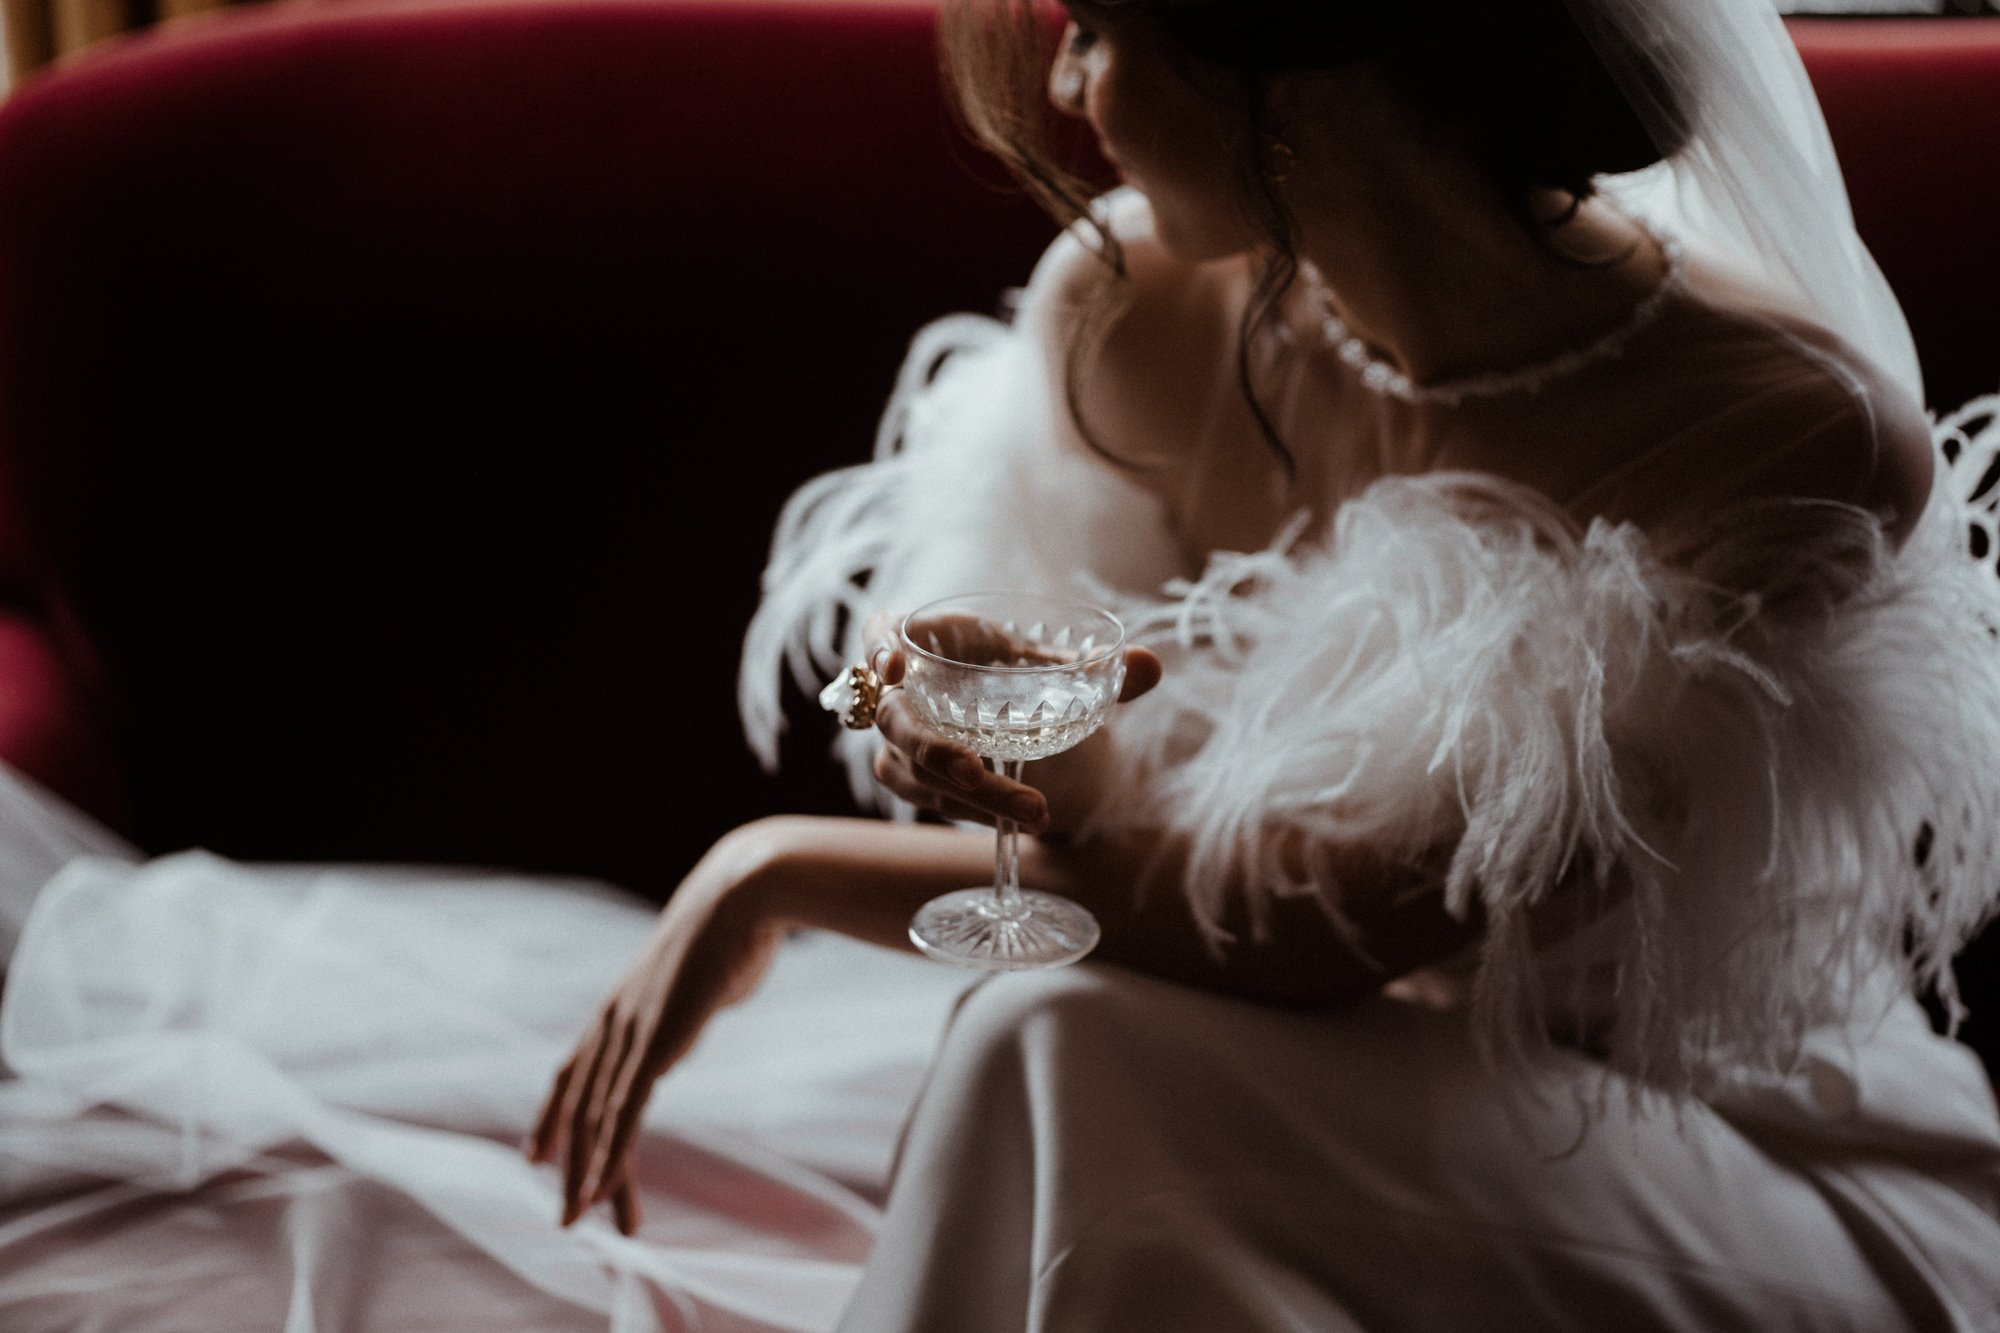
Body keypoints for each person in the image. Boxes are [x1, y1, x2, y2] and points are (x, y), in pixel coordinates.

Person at [530, 0, 2000, 1325]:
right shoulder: (1134, 314)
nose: (1064, 81)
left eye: (1099, 25)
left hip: (1697, 1154)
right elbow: (1117, 811)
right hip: (1278, 1081)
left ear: (1283, 66)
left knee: (1057, 1040)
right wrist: (1032, 739)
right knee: (1081, 1068)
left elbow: (1284, 935)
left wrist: (779, 869)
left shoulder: (1778, 434)